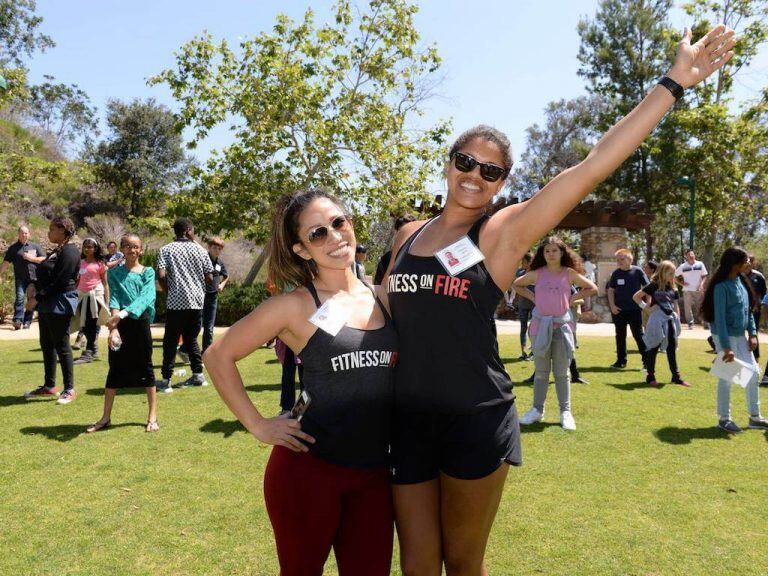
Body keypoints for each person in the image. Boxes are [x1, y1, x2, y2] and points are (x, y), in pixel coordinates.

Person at [381, 24, 734, 574]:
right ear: (449, 162)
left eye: (491, 170)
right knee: (417, 564)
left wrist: (672, 84)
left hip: (473, 417)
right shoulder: (407, 239)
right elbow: (379, 320)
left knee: (462, 563)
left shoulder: (500, 234)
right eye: (466, 161)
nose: (475, 175)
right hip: (407, 420)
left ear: (502, 183)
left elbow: (593, 164)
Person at [204, 188, 398, 576]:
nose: (335, 236)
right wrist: (258, 425)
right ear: (302, 250)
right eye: (318, 233)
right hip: (308, 472)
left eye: (338, 223)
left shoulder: (384, 298)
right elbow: (217, 355)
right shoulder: (294, 305)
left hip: (375, 473)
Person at [513, 237, 597, 430]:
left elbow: (592, 288)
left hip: (562, 327)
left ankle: (565, 412)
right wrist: (534, 297)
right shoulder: (536, 274)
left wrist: (571, 297)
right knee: (541, 373)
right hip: (539, 327)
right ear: (543, 254)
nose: (551, 254)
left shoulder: (569, 273)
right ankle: (537, 410)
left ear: (562, 253)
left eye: (554, 250)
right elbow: (516, 285)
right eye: (547, 251)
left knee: (562, 373)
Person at [86, 234, 159, 433]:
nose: (131, 250)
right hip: (121, 324)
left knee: (146, 368)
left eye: (135, 246)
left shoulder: (148, 272)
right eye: (127, 246)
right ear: (122, 249)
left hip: (140, 323)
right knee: (115, 369)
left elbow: (146, 297)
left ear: (141, 250)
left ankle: (152, 417)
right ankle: (105, 418)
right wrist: (114, 328)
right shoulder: (115, 273)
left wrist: (122, 315)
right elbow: (115, 299)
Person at [701, 247, 768, 433]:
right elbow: (720, 320)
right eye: (745, 260)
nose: (749, 263)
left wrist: (753, 333)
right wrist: (726, 347)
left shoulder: (741, 281)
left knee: (753, 373)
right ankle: (724, 419)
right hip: (725, 336)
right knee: (727, 378)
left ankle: (755, 417)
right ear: (735, 264)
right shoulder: (721, 287)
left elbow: (748, 311)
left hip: (740, 336)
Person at [23, 217, 80, 404]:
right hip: (48, 302)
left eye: (52, 229)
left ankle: (69, 389)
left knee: (62, 346)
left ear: (63, 230)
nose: (48, 233)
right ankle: (49, 386)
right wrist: (33, 284)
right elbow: (48, 275)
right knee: (47, 344)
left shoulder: (70, 251)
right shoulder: (57, 250)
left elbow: (61, 281)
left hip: (61, 301)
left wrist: (36, 299)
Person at [156, 218, 214, 392]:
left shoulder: (166, 250)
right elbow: (210, 277)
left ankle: (166, 380)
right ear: (188, 230)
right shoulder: (200, 250)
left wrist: (170, 290)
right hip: (196, 302)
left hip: (176, 302)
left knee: (171, 341)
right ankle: (198, 375)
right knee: (191, 339)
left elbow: (161, 274)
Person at [633, 260, 689, 387]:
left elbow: (675, 305)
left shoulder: (673, 288)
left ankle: (676, 377)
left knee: (671, 348)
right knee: (654, 347)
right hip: (657, 320)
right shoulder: (653, 285)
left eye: (674, 273)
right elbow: (636, 296)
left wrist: (677, 318)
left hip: (670, 320)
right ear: (663, 272)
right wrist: (646, 308)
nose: (673, 276)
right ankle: (650, 376)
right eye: (671, 273)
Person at [607, 249, 650, 369]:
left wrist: (648, 303)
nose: (619, 262)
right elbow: (610, 290)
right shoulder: (616, 273)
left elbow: (648, 287)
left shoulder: (638, 271)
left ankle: (647, 361)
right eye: (617, 260)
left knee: (638, 335)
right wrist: (612, 306)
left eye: (622, 259)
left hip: (634, 310)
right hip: (618, 310)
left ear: (629, 259)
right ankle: (621, 361)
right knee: (620, 336)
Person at [72, 238, 110, 364]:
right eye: (85, 247)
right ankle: (93, 349)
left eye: (90, 247)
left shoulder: (100, 263)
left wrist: (107, 301)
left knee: (92, 323)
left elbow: (105, 284)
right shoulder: (79, 262)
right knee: (84, 323)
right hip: (82, 295)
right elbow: (77, 280)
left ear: (95, 248)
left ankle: (88, 352)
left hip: (95, 295)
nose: (87, 249)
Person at [0, 225, 44, 329]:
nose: (24, 235)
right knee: (19, 298)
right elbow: (6, 263)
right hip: (20, 279)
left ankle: (27, 321)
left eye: (26, 233)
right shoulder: (13, 248)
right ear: (18, 234)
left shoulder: (35, 246)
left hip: (33, 278)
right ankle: (17, 320)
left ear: (29, 234)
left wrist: (32, 258)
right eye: (22, 233)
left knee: (31, 299)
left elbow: (44, 259)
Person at [202, 236, 229, 353]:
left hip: (213, 298)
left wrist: (222, 284)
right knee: (195, 326)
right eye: (214, 248)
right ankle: (184, 349)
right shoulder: (203, 259)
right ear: (209, 247)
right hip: (200, 296)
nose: (217, 250)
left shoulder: (220, 263)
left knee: (209, 328)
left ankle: (206, 353)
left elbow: (226, 276)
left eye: (219, 248)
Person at [374, 214, 417, 285]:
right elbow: (378, 286)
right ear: (396, 232)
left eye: (411, 232)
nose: (406, 235)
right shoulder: (386, 259)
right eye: (402, 231)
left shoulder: (421, 258)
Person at [675, 249, 708, 329]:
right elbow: (673, 276)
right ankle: (690, 323)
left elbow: (705, 276)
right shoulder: (683, 266)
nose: (691, 256)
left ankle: (705, 323)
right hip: (687, 290)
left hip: (698, 290)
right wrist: (681, 283)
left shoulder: (700, 264)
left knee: (700, 307)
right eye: (689, 255)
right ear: (686, 256)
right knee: (687, 308)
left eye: (692, 254)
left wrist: (701, 285)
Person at [744, 255, 766, 363]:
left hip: (754, 311)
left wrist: (758, 305)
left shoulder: (759, 276)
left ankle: (755, 361)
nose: (748, 262)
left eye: (750, 260)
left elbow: (763, 294)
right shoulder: (738, 275)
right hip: (741, 311)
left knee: (753, 334)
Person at [512, 252, 534, 359]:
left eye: (524, 262)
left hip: (535, 304)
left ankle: (533, 351)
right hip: (522, 304)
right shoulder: (520, 272)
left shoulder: (536, 274)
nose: (522, 263)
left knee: (534, 329)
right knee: (523, 328)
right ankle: (523, 352)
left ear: (529, 262)